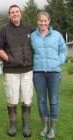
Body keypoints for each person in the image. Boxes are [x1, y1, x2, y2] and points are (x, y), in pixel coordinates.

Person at [0, 5, 33, 137]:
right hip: (11, 71)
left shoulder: (29, 29)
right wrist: (10, 60)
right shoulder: (3, 31)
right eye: (12, 12)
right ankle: (12, 125)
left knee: (27, 98)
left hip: (28, 70)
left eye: (17, 11)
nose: (15, 14)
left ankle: (26, 126)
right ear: (9, 15)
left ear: (20, 14)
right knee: (12, 98)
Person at [31, 11, 67, 139]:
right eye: (41, 21)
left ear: (49, 21)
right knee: (41, 100)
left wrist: (59, 61)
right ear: (37, 22)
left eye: (45, 21)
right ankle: (45, 125)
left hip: (54, 73)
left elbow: (63, 50)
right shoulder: (33, 36)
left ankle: (53, 127)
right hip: (38, 73)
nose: (43, 23)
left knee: (53, 100)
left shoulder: (57, 35)